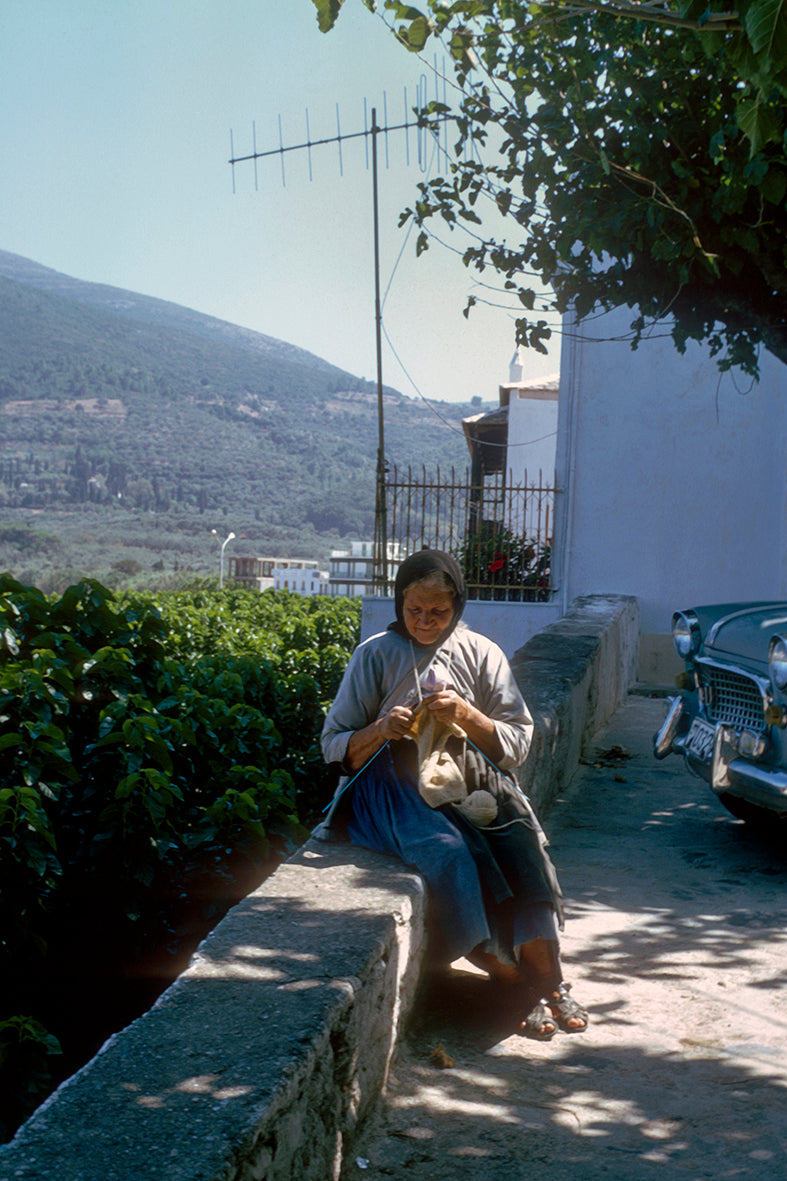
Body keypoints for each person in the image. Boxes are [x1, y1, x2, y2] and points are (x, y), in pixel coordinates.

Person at [318, 548, 588, 1039]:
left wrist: (467, 716)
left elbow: (516, 744)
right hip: (392, 786)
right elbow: (334, 746)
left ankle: (549, 980)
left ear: (457, 606)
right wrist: (381, 728)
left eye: (437, 611)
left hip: (468, 774)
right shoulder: (374, 655)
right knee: (450, 856)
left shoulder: (482, 653)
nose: (424, 622)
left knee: (522, 846)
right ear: (398, 603)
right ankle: (520, 984)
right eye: (413, 610)